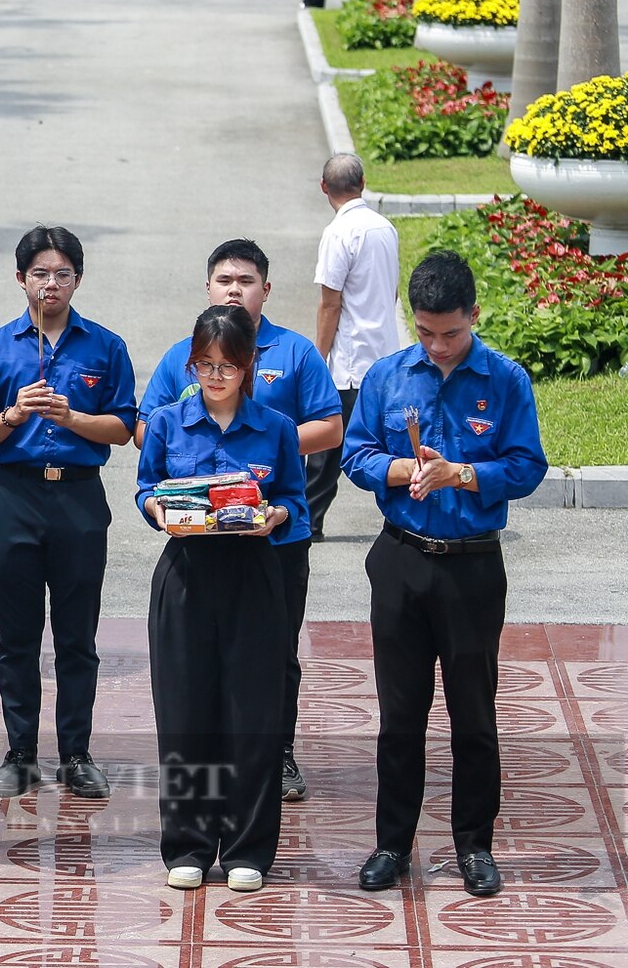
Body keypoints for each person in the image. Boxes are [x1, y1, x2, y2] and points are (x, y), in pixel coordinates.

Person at [343, 251, 546, 899]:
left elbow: (528, 464)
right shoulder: (386, 375)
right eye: (425, 331)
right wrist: (401, 471)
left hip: (472, 564)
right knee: (400, 713)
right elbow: (355, 452)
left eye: (450, 333)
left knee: (472, 713)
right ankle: (391, 843)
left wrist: (463, 472)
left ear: (474, 316)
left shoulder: (506, 379)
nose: (436, 345)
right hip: (402, 557)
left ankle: (474, 844)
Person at [135, 240, 342, 804]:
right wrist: (193, 486)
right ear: (208, 287)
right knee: (195, 663)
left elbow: (330, 427)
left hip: (272, 540)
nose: (234, 288)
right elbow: (147, 429)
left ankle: (277, 751)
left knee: (273, 653)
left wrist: (256, 462)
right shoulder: (187, 353)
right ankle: (207, 777)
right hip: (198, 543)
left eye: (246, 280)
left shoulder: (296, 353)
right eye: (224, 279)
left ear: (266, 289)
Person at [136, 305, 305, 893]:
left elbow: (294, 502)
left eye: (227, 366)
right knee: (185, 714)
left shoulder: (275, 428)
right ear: (191, 365)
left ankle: (247, 848)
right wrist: (159, 511)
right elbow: (145, 488)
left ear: (248, 365)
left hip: (253, 578)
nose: (215, 377)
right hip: (185, 576)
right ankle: (187, 842)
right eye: (204, 365)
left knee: (251, 715)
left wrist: (276, 515)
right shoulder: (166, 422)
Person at [0, 226, 136, 801]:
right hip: (13, 495)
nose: (51, 284)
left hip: (78, 496)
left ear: (78, 280)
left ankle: (76, 753)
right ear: (20, 279)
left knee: (76, 635)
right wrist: (13, 416)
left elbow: (122, 427)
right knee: (17, 634)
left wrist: (72, 420)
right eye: (40, 274)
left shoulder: (104, 346)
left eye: (62, 274)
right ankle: (20, 752)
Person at [309, 154, 402, 540]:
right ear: (363, 182)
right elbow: (393, 291)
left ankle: (308, 519)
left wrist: (318, 358)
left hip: (351, 361)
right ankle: (403, 514)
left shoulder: (338, 233)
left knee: (328, 446)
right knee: (391, 442)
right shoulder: (386, 228)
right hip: (387, 354)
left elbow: (331, 303)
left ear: (324, 187)